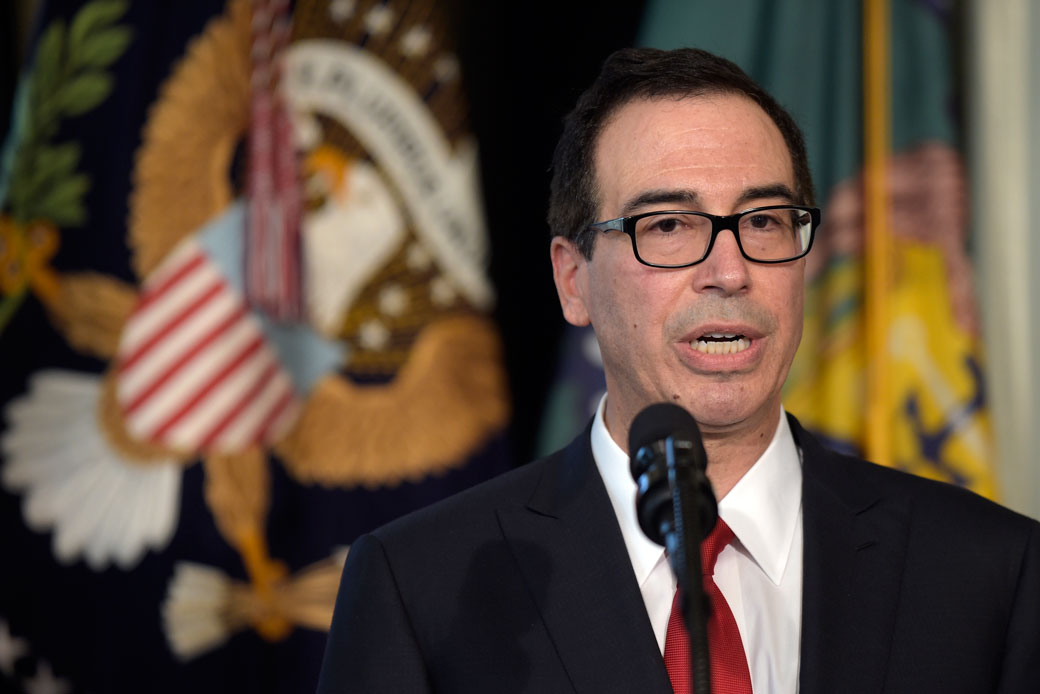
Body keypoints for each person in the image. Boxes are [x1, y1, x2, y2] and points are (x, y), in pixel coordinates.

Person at [316, 47, 1040, 693]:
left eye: (763, 221)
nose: (729, 271)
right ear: (574, 281)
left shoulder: (988, 575)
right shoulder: (421, 585)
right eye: (667, 226)